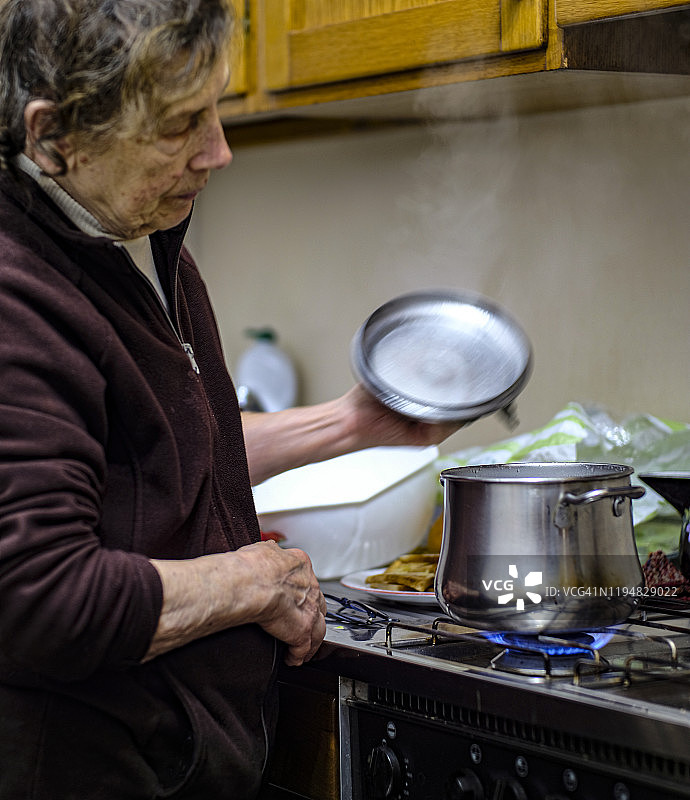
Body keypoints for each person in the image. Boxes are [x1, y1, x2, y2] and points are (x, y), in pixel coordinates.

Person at [0, 1, 460, 797]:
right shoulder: (19, 295)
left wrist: (350, 423)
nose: (220, 150)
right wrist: (251, 583)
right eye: (181, 124)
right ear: (53, 138)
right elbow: (38, 599)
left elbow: (153, 457)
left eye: (214, 107)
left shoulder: (130, 234)